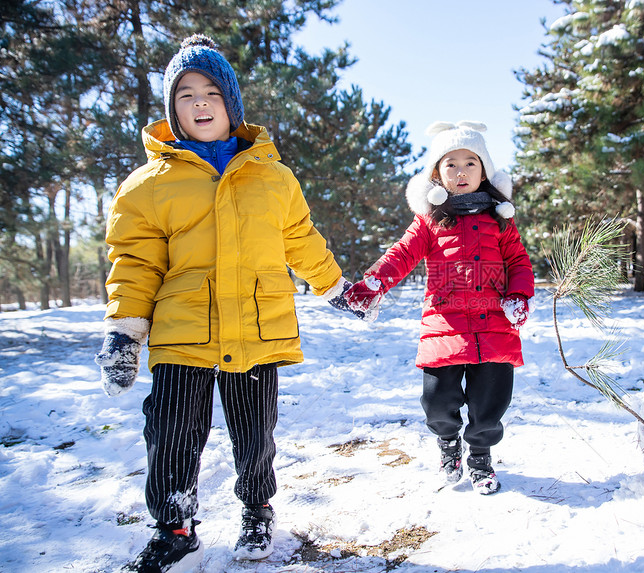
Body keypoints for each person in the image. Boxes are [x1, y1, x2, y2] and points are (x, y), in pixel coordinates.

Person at [94, 34, 362, 573]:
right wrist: (125, 330)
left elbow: (301, 241)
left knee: (255, 431)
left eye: (211, 92)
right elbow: (136, 262)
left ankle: (257, 509)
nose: (198, 102)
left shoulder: (274, 177)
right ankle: (174, 524)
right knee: (169, 430)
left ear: (231, 104)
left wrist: (335, 287)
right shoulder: (147, 186)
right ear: (172, 111)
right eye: (185, 94)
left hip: (257, 329)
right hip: (182, 331)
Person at [344, 121, 535, 495]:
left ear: (484, 172)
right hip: (444, 324)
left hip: (494, 325)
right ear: (436, 173)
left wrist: (518, 295)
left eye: (470, 163)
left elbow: (519, 263)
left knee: (490, 404)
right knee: (436, 402)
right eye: (451, 164)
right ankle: (448, 443)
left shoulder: (501, 220)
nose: (461, 172)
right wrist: (376, 280)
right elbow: (402, 253)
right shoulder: (430, 220)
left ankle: (480, 457)